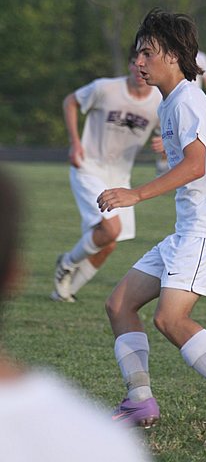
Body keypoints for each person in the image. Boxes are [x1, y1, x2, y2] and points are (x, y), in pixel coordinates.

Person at [97, 8, 206, 450]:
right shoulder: (176, 100)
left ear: (172, 55)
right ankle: (140, 401)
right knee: (119, 305)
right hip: (188, 229)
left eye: (147, 53)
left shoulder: (187, 99)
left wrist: (135, 194)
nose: (138, 63)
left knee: (170, 319)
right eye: (137, 55)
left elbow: (195, 164)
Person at [0, 167, 152, 462]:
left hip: (116, 175)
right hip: (96, 171)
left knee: (109, 241)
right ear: (15, 276)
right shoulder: (97, 444)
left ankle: (66, 283)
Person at [52, 45, 162, 303]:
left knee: (108, 243)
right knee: (111, 229)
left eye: (144, 62)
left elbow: (167, 143)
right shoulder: (105, 88)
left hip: (120, 178)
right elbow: (71, 101)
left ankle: (65, 292)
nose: (139, 67)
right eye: (135, 62)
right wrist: (75, 142)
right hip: (89, 167)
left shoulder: (159, 102)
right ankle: (66, 264)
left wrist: (166, 146)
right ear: (129, 65)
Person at [155, 49, 206, 175]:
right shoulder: (165, 55)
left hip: (192, 109)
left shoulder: (200, 57)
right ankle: (166, 165)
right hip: (171, 106)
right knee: (171, 146)